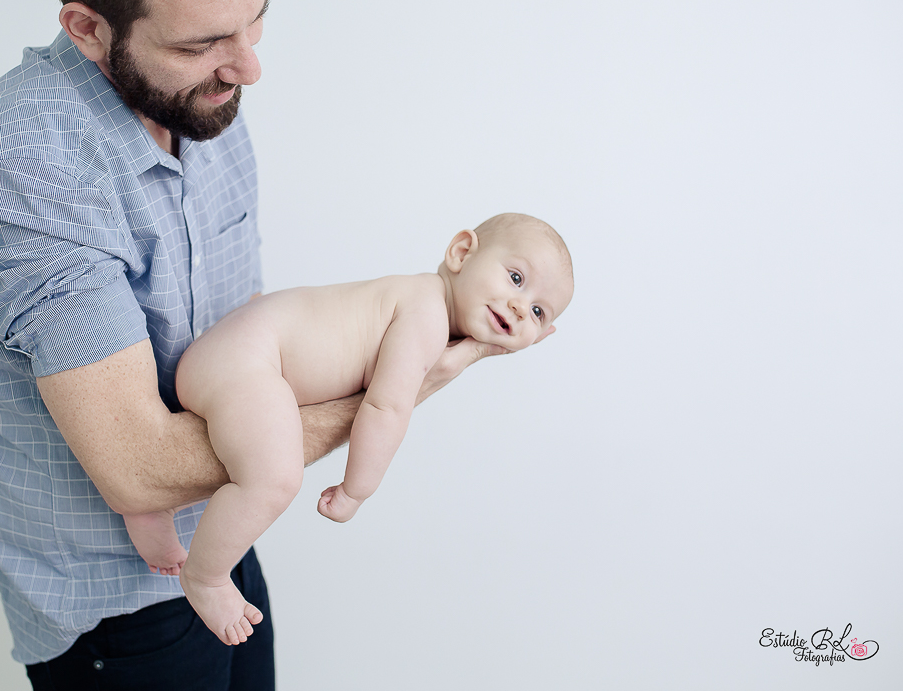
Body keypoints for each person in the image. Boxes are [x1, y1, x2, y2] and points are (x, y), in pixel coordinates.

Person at [0, 0, 506, 687]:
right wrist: (404, 379)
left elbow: (248, 346)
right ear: (88, 28)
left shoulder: (201, 98)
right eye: (202, 42)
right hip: (115, 611)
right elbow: (139, 469)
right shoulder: (22, 170)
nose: (249, 66)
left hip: (225, 535)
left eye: (255, 21)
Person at [125, 213, 574, 646]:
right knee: (275, 477)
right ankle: (205, 578)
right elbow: (386, 406)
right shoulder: (427, 314)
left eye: (538, 311)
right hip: (247, 359)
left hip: (237, 354)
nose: (520, 307)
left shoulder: (419, 295)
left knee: (247, 445)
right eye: (516, 278)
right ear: (461, 252)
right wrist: (357, 489)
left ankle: (151, 508)